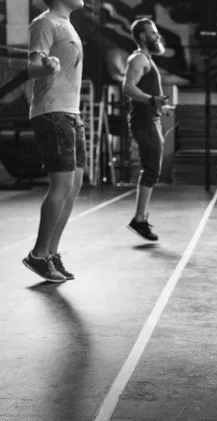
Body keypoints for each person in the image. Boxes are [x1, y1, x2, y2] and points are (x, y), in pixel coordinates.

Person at [22, 0, 86, 283]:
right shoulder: (45, 23)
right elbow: (33, 67)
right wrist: (47, 67)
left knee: (75, 185)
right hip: (52, 111)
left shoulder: (66, 24)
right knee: (61, 185)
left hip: (71, 112)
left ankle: (51, 253)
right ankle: (38, 254)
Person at [122, 18, 173, 241]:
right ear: (143, 36)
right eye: (153, 33)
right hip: (144, 122)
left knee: (152, 169)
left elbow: (146, 93)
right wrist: (152, 100)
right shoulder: (139, 58)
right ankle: (139, 219)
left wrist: (162, 105)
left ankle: (140, 218)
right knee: (151, 169)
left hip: (151, 119)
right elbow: (128, 88)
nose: (157, 36)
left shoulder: (147, 60)